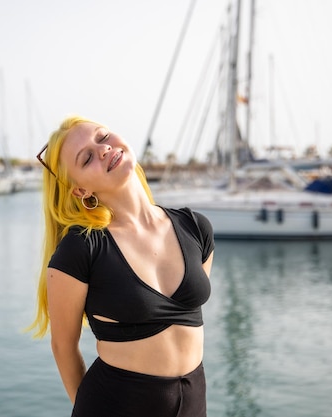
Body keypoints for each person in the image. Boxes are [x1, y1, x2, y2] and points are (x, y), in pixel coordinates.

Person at [29, 115, 215, 417]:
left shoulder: (195, 227)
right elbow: (63, 347)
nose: (102, 150)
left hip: (194, 404)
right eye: (87, 158)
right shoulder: (81, 248)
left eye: (103, 137)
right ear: (80, 190)